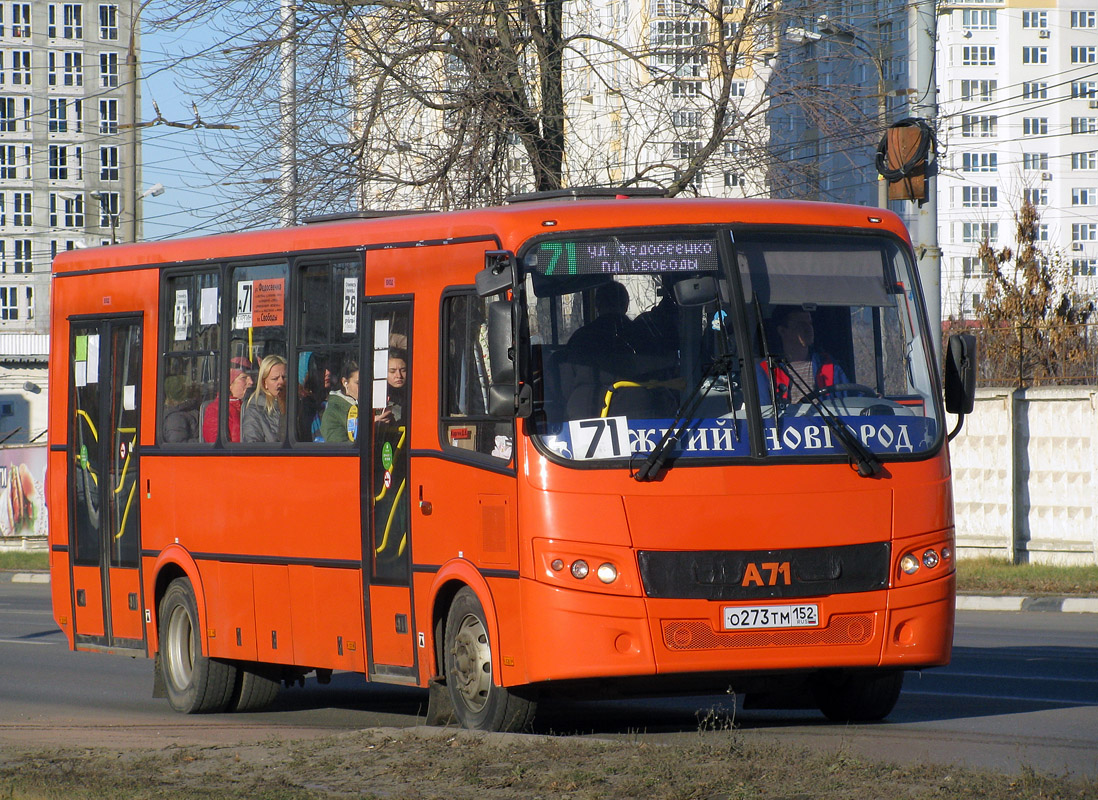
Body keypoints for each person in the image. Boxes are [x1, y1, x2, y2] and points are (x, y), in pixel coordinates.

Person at [758, 306, 848, 404]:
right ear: (782, 331)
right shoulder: (766, 370)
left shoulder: (829, 366)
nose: (808, 329)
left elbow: (851, 404)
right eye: (801, 325)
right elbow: (765, 414)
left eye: (810, 323)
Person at [202, 357, 254, 443]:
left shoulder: (254, 406)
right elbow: (218, 449)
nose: (251, 382)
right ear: (229, 384)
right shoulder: (216, 410)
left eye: (252, 377)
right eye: (244, 377)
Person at [241, 354, 287, 443]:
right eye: (275, 379)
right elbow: (253, 447)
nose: (281, 382)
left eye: (284, 377)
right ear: (264, 383)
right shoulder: (255, 410)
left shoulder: (296, 404)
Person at [320, 360, 359, 443]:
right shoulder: (332, 413)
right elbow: (340, 449)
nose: (364, 387)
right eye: (358, 383)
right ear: (345, 382)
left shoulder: (368, 405)